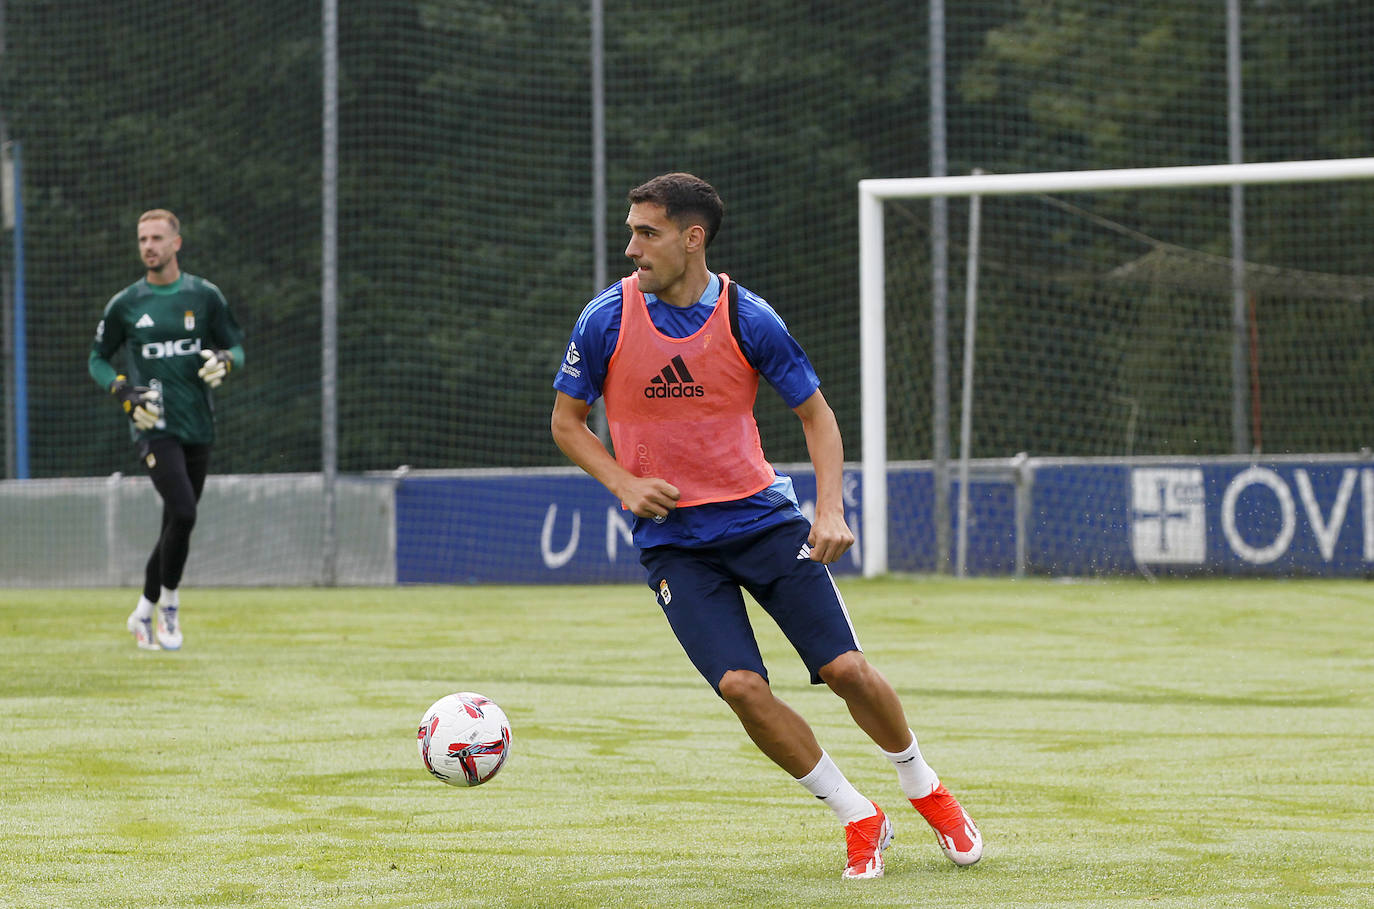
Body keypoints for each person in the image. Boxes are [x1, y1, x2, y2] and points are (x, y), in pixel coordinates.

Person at [551, 173, 981, 879]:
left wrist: (833, 507)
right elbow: (567, 423)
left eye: (646, 233)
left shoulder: (750, 317)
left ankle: (923, 785)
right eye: (631, 231)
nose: (631, 248)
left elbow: (816, 415)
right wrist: (623, 480)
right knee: (741, 688)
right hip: (674, 545)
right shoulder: (604, 318)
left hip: (764, 523)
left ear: (693, 240)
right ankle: (857, 814)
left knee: (846, 669)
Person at [88, 209, 245, 652]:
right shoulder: (126, 304)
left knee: (176, 520)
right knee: (186, 512)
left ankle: (142, 611)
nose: (148, 246)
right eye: (142, 239)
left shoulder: (204, 295)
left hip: (199, 425)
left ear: (176, 243)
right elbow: (97, 358)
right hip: (153, 426)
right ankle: (169, 608)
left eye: (157, 238)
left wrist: (227, 360)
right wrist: (120, 389)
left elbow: (236, 346)